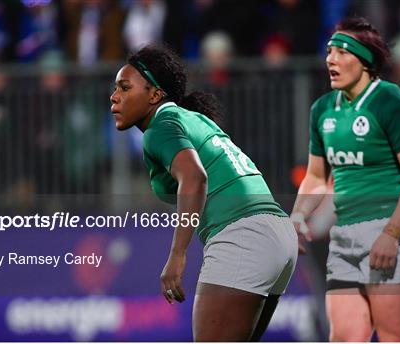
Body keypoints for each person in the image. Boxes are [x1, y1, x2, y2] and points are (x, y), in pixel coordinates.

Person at [109, 44, 297, 341]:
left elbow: (195, 179)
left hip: (243, 234)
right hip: (278, 232)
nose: (114, 96)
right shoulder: (194, 119)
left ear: (155, 95)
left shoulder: (161, 127)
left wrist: (177, 255)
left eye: (124, 87)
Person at [290, 17, 400, 341]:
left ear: (366, 61)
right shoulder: (323, 109)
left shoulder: (391, 101)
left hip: (393, 233)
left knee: (394, 336)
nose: (331, 59)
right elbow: (315, 176)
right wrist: (297, 217)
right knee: (344, 337)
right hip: (345, 238)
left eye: (342, 51)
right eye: (329, 51)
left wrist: (392, 233)